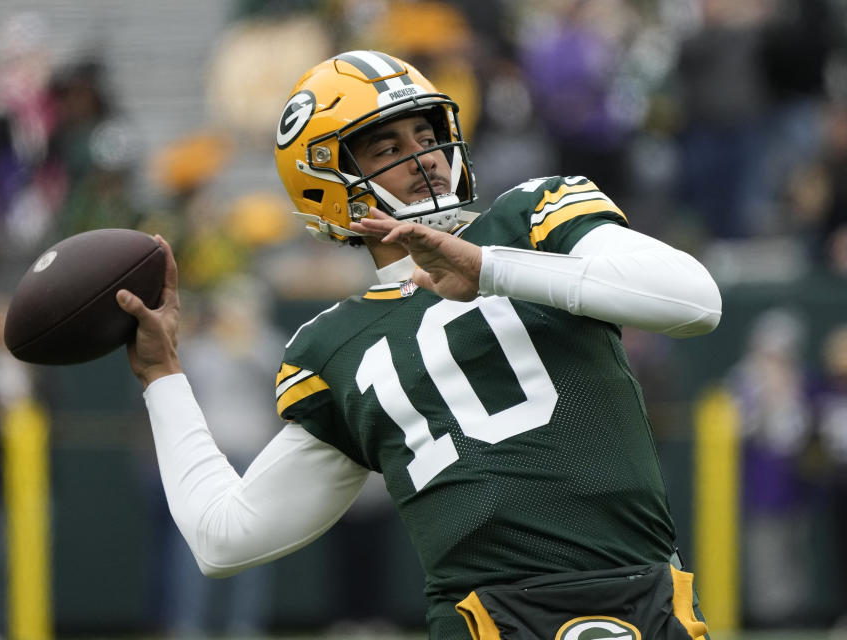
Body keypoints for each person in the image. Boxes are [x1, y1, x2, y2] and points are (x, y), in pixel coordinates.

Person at [116, 50, 722, 639]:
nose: (424, 157)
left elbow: (695, 300)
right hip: (489, 621)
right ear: (328, 182)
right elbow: (224, 537)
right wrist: (162, 374)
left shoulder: (532, 216)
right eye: (388, 148)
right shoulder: (337, 346)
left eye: (426, 135)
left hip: (648, 601)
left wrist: (489, 268)